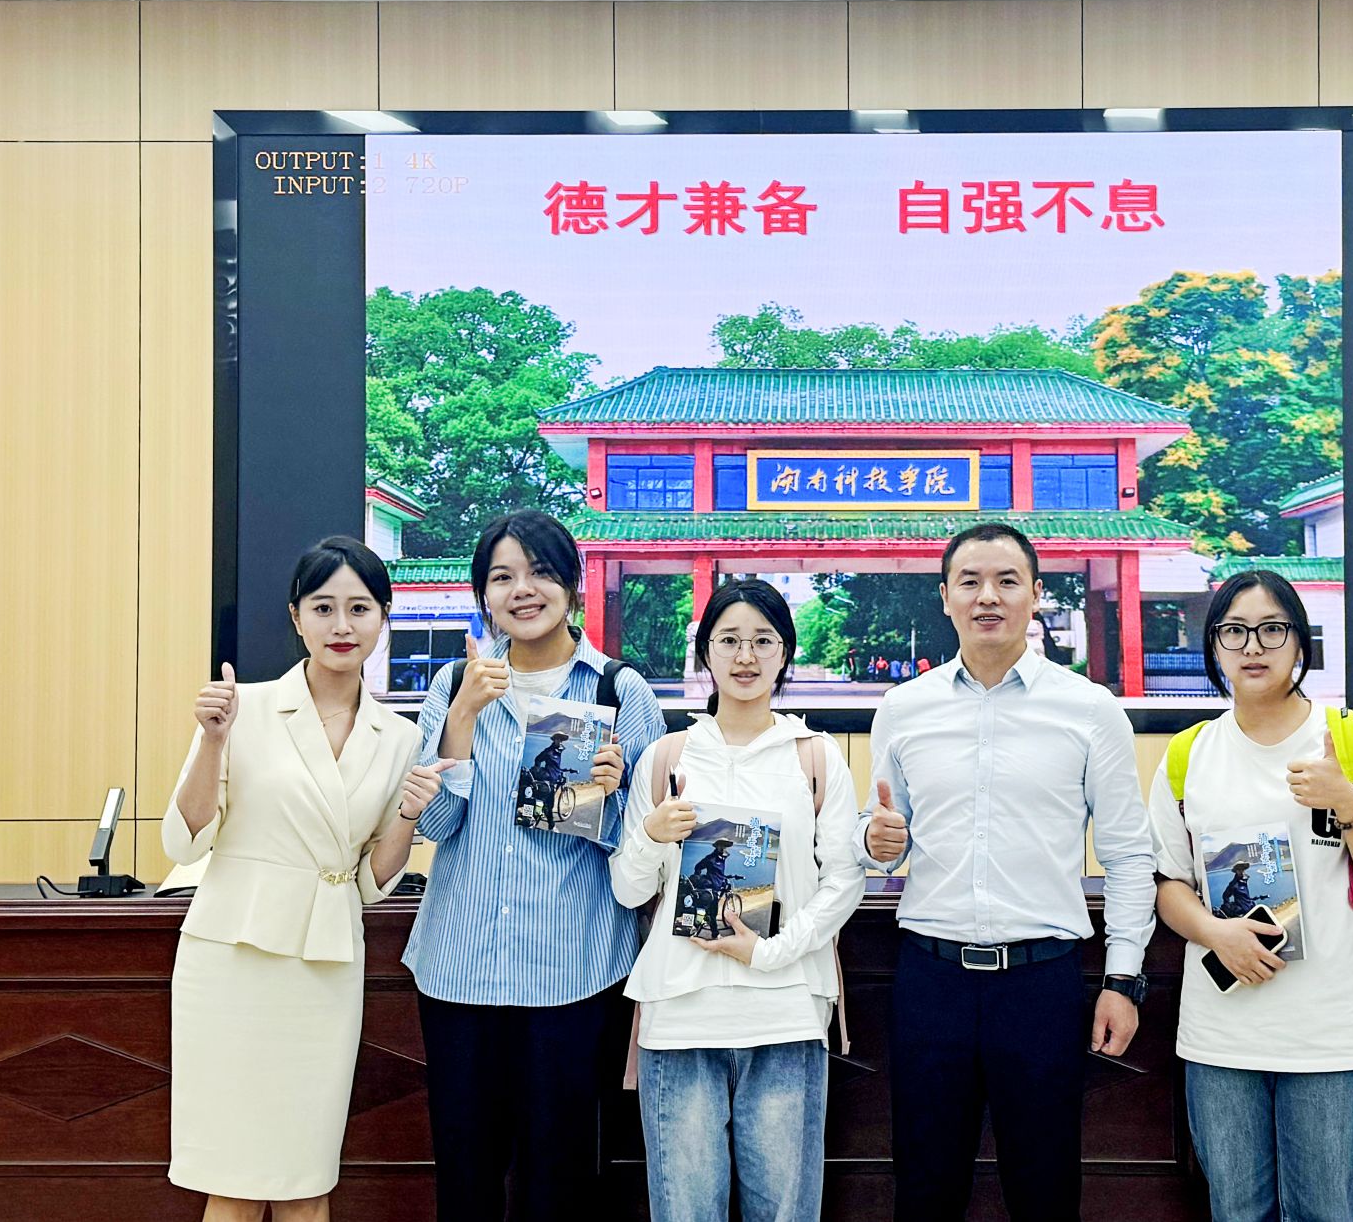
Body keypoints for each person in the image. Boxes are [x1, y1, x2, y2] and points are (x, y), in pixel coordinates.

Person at [859, 522, 1155, 1222]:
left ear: (1036, 594)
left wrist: (1122, 980)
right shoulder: (903, 709)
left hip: (1041, 984)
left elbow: (1128, 854)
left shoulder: (1090, 710)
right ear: (945, 597)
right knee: (924, 1192)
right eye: (970, 581)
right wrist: (874, 840)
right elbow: (879, 842)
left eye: (1006, 580)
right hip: (930, 981)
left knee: (1045, 1193)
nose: (987, 596)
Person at [163, 536, 439, 1222]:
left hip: (324, 967)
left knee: (307, 1180)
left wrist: (409, 814)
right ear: (296, 616)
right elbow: (183, 838)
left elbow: (371, 880)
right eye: (323, 607)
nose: (342, 625)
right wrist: (213, 741)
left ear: (384, 617)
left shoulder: (399, 735)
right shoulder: (242, 707)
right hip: (233, 960)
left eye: (359, 608)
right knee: (232, 1181)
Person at [404, 510, 666, 1220]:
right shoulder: (454, 683)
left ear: (573, 585)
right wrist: (461, 719)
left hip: (572, 977)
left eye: (541, 571)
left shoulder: (617, 690)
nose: (523, 589)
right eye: (502, 576)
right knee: (466, 1181)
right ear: (484, 595)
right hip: (459, 972)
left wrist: (610, 798)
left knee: (563, 1185)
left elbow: (648, 853)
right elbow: (435, 823)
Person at [1146, 569, 1353, 1222]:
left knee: (1323, 1211)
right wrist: (1215, 933)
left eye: (1273, 629)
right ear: (1214, 644)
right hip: (1224, 1033)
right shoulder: (1188, 755)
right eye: (1234, 630)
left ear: (1300, 642)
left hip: (1333, 1032)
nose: (1253, 645)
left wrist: (1348, 802)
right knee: (1235, 1211)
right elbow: (1170, 885)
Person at [612, 579, 861, 1222]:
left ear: (785, 654)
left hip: (785, 1013)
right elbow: (629, 889)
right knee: (684, 1211)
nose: (745, 656)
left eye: (763, 641)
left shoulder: (815, 758)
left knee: (785, 1212)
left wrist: (772, 951)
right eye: (728, 640)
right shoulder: (666, 757)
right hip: (679, 1014)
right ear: (706, 652)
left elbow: (845, 879)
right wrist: (651, 835)